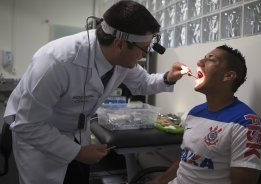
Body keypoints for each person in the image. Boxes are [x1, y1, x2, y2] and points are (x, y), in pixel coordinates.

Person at [3, 1, 187, 184]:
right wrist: (77, 152)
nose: (145, 55)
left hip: (78, 135)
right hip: (42, 142)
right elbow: (27, 125)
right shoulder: (55, 62)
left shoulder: (119, 57)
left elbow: (143, 83)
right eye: (144, 49)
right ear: (120, 44)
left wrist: (169, 77)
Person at [146, 45, 261, 184]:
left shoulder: (246, 124)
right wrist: (158, 181)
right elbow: (186, 160)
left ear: (228, 76)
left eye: (210, 59)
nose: (199, 62)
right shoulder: (195, 113)